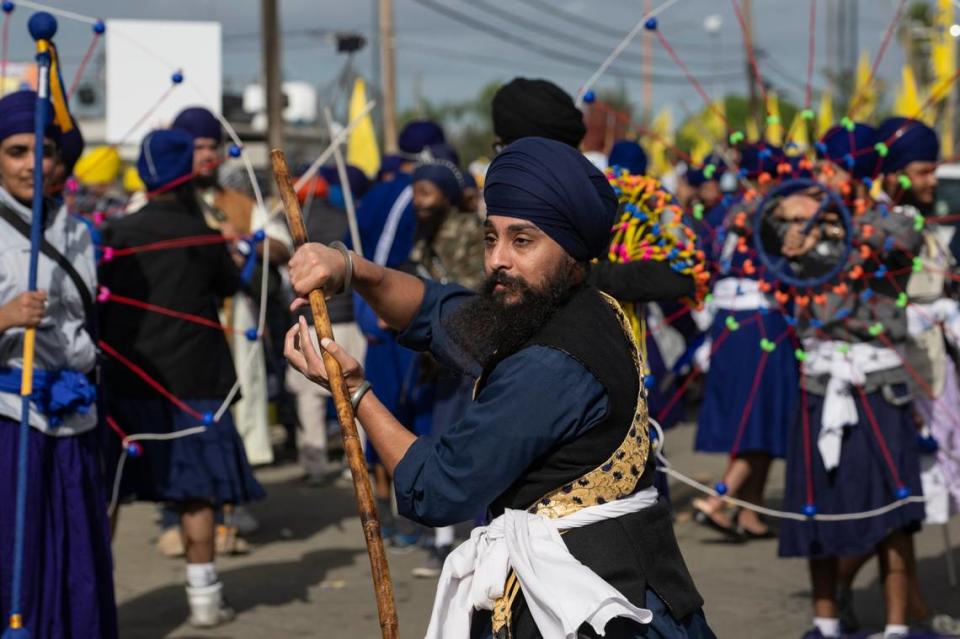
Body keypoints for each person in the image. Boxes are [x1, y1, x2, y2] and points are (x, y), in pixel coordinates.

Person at [285, 137, 712, 638]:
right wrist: (352, 269)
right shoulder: (573, 302)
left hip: (589, 608)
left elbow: (441, 488)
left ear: (573, 249)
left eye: (522, 240)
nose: (497, 260)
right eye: (491, 238)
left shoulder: (550, 364)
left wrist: (355, 392)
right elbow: (440, 312)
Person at [99, 129, 264, 628]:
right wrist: (248, 255)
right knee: (196, 493)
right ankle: (204, 599)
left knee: (108, 494)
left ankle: (93, 599)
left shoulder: (116, 235)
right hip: (195, 380)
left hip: (130, 376)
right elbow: (232, 285)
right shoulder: (203, 235)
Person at [771, 124, 926, 639]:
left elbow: (886, 244)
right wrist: (792, 237)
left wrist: (824, 229)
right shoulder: (807, 219)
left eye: (828, 167)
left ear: (851, 170)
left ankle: (898, 628)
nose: (818, 177)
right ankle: (826, 622)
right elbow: (768, 251)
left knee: (894, 517)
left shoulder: (895, 219)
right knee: (820, 511)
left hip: (880, 384)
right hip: (818, 383)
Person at [831, 118, 960, 637]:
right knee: (898, 503)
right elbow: (868, 301)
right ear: (891, 171)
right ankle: (840, 589)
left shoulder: (910, 218)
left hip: (930, 372)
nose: (933, 180)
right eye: (923, 169)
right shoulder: (873, 224)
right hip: (891, 377)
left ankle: (910, 610)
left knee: (914, 502)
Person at [0, 90, 117, 639]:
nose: (31, 165)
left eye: (43, 151)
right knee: (17, 546)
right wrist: (3, 317)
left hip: (77, 416)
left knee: (76, 543)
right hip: (10, 417)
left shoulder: (78, 229)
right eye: (16, 151)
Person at [690, 143, 798, 540]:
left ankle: (749, 512)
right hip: (761, 323)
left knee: (761, 414)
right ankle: (719, 499)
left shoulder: (721, 212)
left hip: (730, 323)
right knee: (759, 413)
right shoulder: (773, 213)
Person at [286, 165, 369, 485]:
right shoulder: (345, 218)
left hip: (315, 321)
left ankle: (315, 463)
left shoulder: (326, 221)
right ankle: (355, 462)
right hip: (345, 319)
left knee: (310, 396)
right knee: (353, 391)